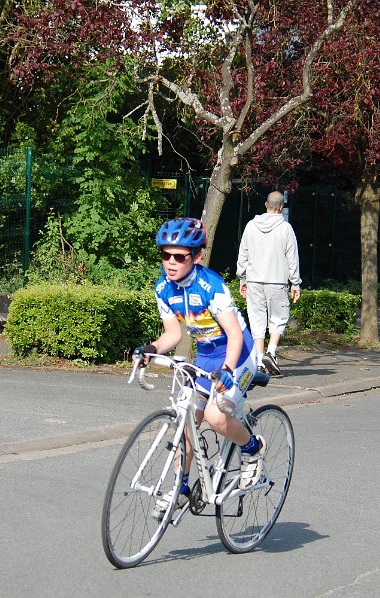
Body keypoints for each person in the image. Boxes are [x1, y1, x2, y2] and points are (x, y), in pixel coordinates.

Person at [134, 217, 266, 515]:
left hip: (237, 354)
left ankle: (253, 448)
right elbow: (173, 334)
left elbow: (234, 334)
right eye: (165, 255)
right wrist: (150, 350)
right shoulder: (163, 288)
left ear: (196, 257)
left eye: (179, 257)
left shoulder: (211, 286)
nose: (171, 262)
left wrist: (228, 370)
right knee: (187, 421)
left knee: (215, 417)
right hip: (206, 356)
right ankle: (180, 488)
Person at [236, 190, 302, 376]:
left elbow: (243, 254)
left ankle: (259, 361)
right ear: (281, 207)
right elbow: (292, 258)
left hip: (254, 280)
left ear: (266, 205)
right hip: (277, 281)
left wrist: (243, 278)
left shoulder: (251, 226)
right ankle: (271, 352)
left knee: (256, 320)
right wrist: (295, 283)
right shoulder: (286, 229)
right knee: (279, 318)